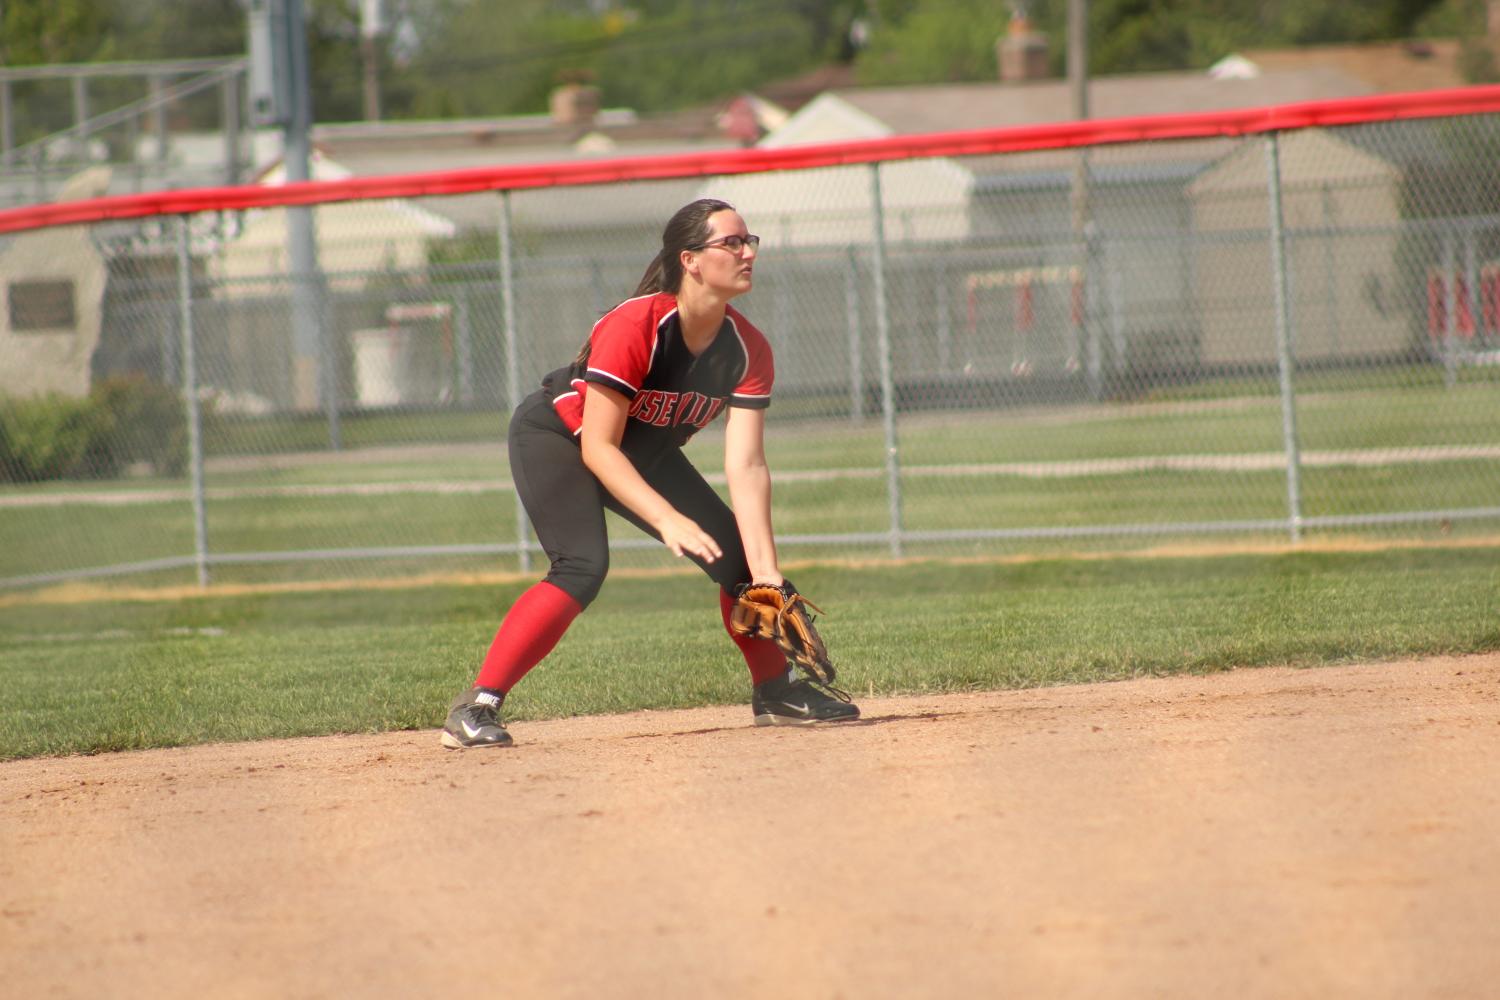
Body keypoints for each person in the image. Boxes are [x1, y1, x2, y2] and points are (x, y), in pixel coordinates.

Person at [442, 198, 861, 749]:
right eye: (730, 243)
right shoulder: (638, 323)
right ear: (690, 260)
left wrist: (766, 572)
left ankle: (776, 693)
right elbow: (599, 446)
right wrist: (666, 519)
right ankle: (477, 707)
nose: (746, 252)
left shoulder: (748, 349)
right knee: (582, 565)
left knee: (738, 563)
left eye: (749, 240)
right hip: (560, 437)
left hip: (646, 453)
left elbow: (748, 464)